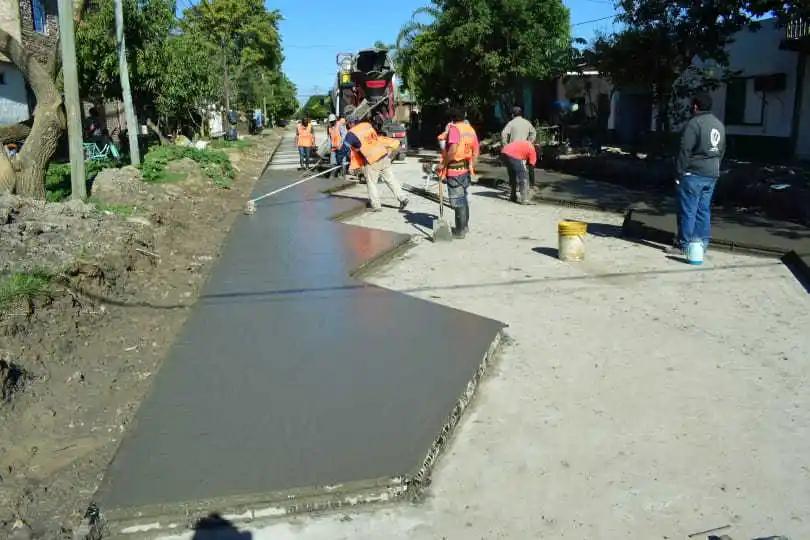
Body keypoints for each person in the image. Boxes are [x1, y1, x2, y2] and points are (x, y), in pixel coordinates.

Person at [667, 92, 726, 256]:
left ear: (695, 106)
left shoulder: (694, 124)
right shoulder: (719, 124)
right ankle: (701, 244)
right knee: (703, 210)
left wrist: (679, 173)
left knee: (688, 210)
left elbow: (685, 151)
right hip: (712, 173)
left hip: (693, 173)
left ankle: (684, 245)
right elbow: (721, 151)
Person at [344, 115, 409, 212]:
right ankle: (403, 198)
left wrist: (344, 159)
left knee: (371, 183)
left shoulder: (351, 133)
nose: (347, 127)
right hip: (382, 154)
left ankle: (376, 205)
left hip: (372, 160)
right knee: (390, 179)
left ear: (350, 123)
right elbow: (373, 138)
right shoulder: (367, 125)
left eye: (347, 125)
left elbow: (345, 147)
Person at [439, 107, 479, 239]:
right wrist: (471, 165)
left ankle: (460, 230)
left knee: (457, 200)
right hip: (465, 170)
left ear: (452, 118)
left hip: (454, 169)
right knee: (463, 198)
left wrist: (443, 164)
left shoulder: (455, 129)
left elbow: (453, 151)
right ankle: (465, 226)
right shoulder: (470, 129)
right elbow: (476, 151)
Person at [501, 106, 537, 187]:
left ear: (513, 115)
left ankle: (513, 187)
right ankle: (523, 189)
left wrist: (505, 145)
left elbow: (504, 134)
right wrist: (529, 142)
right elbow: (534, 132)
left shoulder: (511, 123)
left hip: (513, 151)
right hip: (524, 150)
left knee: (512, 170)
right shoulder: (527, 123)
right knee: (522, 171)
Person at [500, 139, 537, 205]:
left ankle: (513, 196)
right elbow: (531, 170)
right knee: (523, 176)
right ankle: (525, 199)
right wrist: (533, 184)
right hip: (513, 155)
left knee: (513, 175)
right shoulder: (533, 151)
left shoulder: (526, 144)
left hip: (503, 153)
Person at [327, 114, 347, 178]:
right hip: (333, 148)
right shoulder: (330, 127)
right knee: (333, 162)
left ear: (335, 120)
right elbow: (330, 138)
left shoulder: (340, 125)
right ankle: (332, 175)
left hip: (340, 148)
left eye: (333, 121)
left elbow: (344, 135)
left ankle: (342, 176)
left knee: (342, 162)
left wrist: (341, 144)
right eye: (331, 122)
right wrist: (329, 146)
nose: (332, 123)